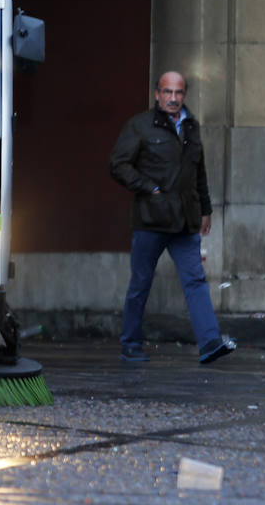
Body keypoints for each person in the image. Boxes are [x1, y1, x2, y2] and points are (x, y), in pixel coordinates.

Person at [109, 71, 236, 364]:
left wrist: (206, 208)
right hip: (150, 220)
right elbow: (117, 165)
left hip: (184, 221)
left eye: (178, 93)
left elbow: (198, 171)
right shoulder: (139, 126)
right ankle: (130, 344)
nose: (173, 98)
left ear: (185, 95)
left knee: (195, 281)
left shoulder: (191, 126)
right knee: (140, 283)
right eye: (167, 92)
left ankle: (209, 343)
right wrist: (148, 188)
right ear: (157, 94)